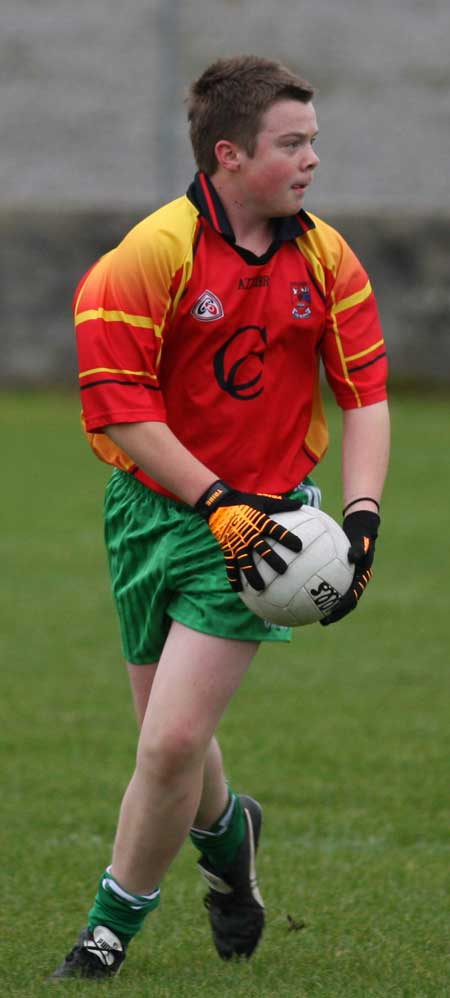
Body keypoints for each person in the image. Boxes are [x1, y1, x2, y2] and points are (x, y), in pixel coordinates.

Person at [51, 54, 390, 980]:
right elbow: (120, 406)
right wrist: (213, 501)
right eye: (293, 144)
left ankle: (107, 929)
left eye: (314, 140)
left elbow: (364, 393)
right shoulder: (150, 253)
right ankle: (230, 841)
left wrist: (359, 518)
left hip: (262, 529)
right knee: (172, 744)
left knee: (168, 741)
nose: (313, 158)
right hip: (153, 514)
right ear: (231, 156)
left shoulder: (326, 257)